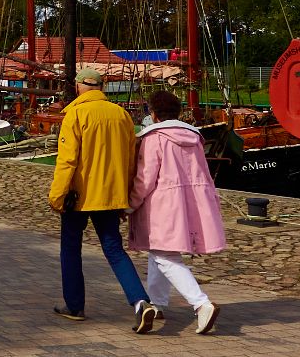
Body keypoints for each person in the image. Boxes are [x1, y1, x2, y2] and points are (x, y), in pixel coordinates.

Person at [48, 64, 159, 330]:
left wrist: (57, 196)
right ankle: (140, 301)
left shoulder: (75, 115)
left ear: (78, 87)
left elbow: (67, 161)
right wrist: (126, 197)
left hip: (79, 196)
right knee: (114, 249)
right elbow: (132, 161)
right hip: (111, 195)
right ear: (102, 87)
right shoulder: (121, 116)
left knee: (71, 249)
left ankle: (74, 305)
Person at [127, 90, 224, 335]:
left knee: (165, 256)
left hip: (163, 204)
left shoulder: (154, 138)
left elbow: (145, 178)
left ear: (153, 113)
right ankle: (158, 302)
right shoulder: (195, 138)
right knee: (158, 251)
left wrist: (130, 204)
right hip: (191, 202)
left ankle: (201, 304)